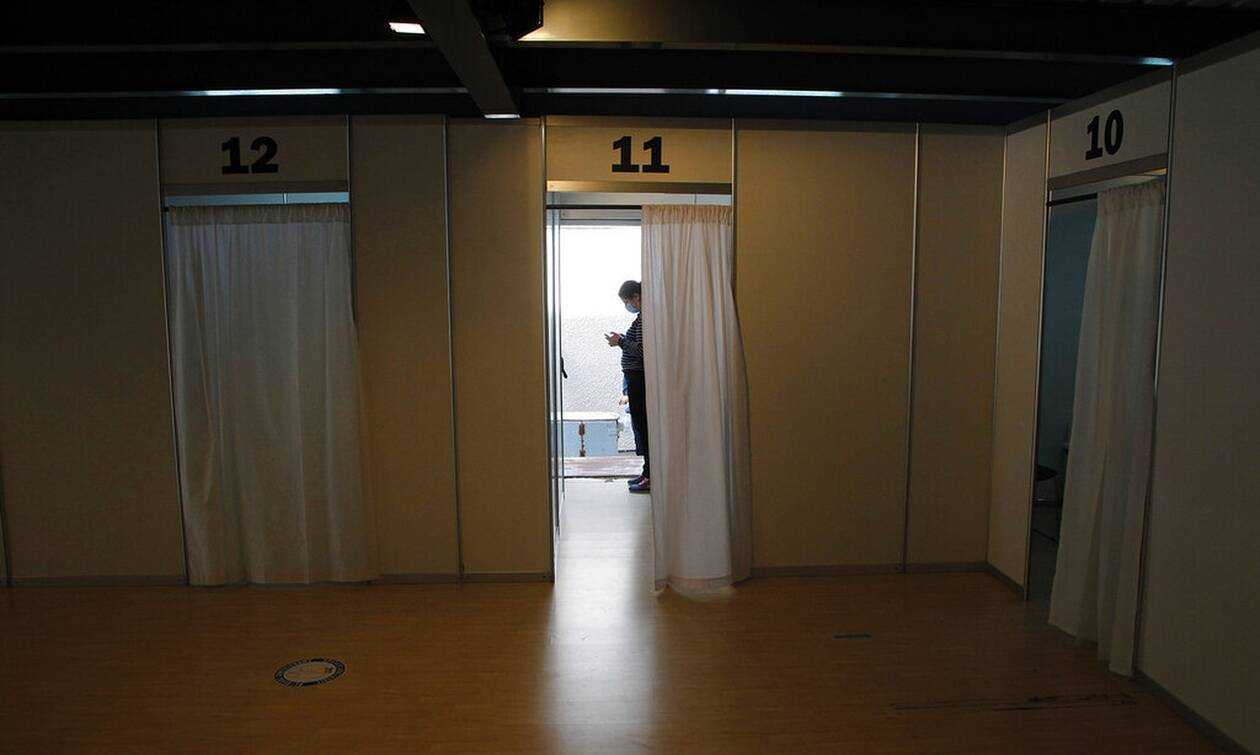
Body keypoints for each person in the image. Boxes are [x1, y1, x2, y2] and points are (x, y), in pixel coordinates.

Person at [606, 280, 649, 493]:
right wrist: (622, 340)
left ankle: (649, 475)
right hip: (634, 378)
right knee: (640, 426)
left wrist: (621, 342)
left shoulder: (645, 319)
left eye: (626, 301)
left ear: (636, 297)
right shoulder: (641, 318)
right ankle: (647, 472)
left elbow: (642, 350)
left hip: (639, 379)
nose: (627, 306)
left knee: (643, 427)